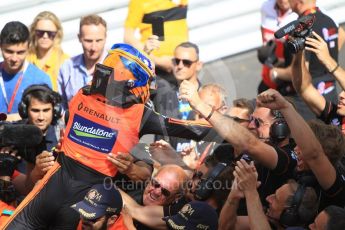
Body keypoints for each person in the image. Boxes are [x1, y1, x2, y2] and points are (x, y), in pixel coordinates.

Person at [3, 43, 217, 229]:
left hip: (52, 188)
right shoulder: (140, 114)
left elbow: (71, 126)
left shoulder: (82, 95)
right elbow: (198, 129)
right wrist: (217, 117)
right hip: (84, 201)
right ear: (135, 84)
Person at [256, 89, 345, 211]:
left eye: (302, 147)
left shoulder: (335, 182)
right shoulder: (301, 174)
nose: (295, 149)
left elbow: (314, 154)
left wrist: (285, 106)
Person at [271, 0, 345, 107]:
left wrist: (276, 72)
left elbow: (301, 70)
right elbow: (341, 34)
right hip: (331, 94)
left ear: (298, 1)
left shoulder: (302, 27)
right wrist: (326, 57)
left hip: (311, 98)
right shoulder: (329, 20)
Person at [124, 0, 189, 87]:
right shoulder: (138, 2)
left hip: (182, 64)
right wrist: (157, 61)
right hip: (156, 68)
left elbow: (182, 25)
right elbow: (128, 37)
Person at [291, 33, 345, 134]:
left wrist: (327, 60)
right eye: (342, 91)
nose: (341, 95)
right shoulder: (336, 116)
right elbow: (304, 88)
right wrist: (299, 53)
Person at [154, 42, 203, 151]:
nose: (180, 66)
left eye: (186, 62)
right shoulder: (162, 92)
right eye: (176, 61)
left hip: (195, 163)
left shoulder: (206, 96)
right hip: (164, 163)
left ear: (198, 65)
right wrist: (146, 53)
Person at [0, 21, 52, 120]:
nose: (14, 58)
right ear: (1, 46)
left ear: (28, 48)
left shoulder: (40, 79)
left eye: (20, 52)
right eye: (9, 52)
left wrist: (7, 119)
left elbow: (43, 118)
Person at [58, 14, 107, 109]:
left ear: (105, 38)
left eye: (98, 41)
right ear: (79, 37)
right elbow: (60, 105)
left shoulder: (116, 67)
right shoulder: (67, 67)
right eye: (88, 41)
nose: (93, 47)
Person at [258, 0, 298, 94]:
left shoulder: (303, 10)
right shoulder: (266, 7)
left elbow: (337, 32)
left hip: (292, 82)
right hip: (269, 78)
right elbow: (264, 30)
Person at [27, 11, 69, 91]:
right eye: (40, 32)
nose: (45, 36)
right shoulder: (25, 59)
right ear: (33, 32)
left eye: (50, 33)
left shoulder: (66, 62)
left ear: (57, 34)